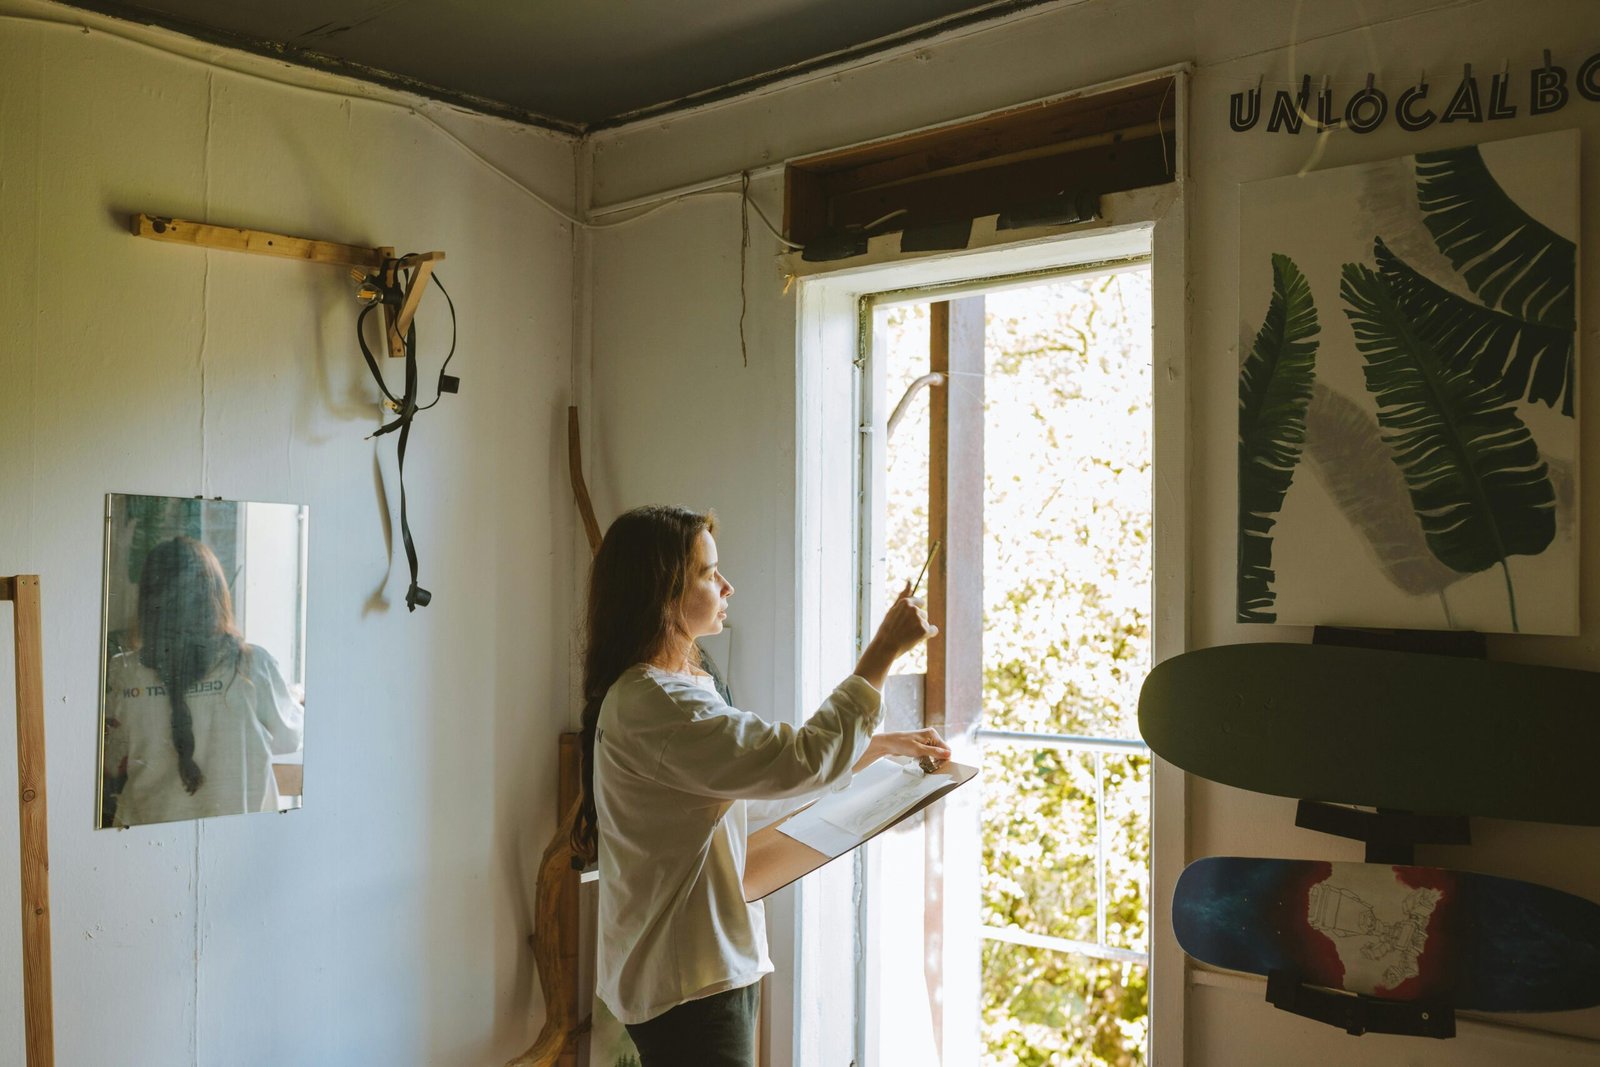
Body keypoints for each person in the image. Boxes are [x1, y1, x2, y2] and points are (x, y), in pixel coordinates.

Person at [574, 505, 946, 1066]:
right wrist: (883, 652)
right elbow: (799, 760)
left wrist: (880, 747)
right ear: (663, 592)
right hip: (690, 984)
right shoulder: (662, 704)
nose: (727, 586)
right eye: (708, 572)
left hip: (690, 975)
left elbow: (762, 775)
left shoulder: (661, 692)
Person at [103, 536, 304, 828]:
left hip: (141, 843)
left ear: (148, 600)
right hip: (235, 841)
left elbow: (111, 759)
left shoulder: (124, 672)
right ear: (215, 595)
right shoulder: (251, 666)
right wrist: (292, 698)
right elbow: (290, 737)